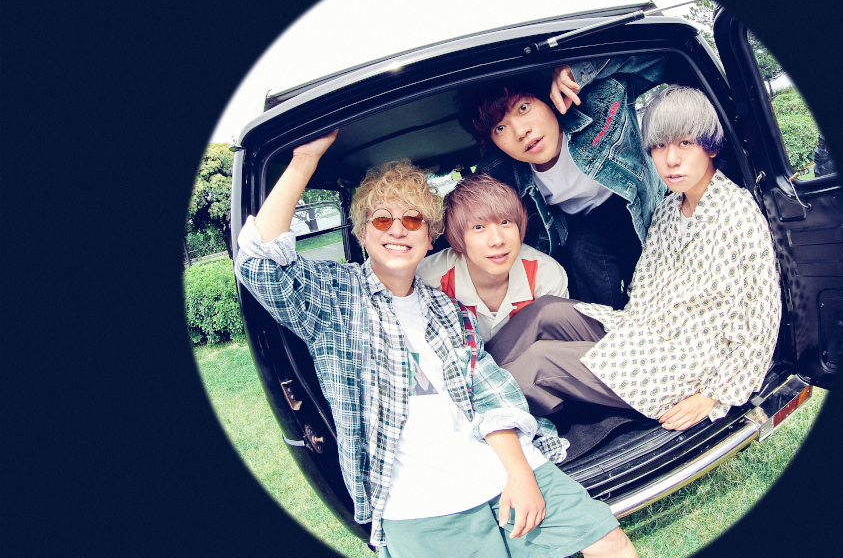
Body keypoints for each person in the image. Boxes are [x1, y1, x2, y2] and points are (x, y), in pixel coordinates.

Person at [233, 130, 636, 558]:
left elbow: (488, 390)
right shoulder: (335, 298)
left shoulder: (447, 308)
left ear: (430, 239)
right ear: (363, 234)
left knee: (609, 543)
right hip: (420, 502)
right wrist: (304, 162)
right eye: (382, 220)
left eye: (412, 220)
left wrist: (520, 473)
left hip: (499, 466)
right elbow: (258, 264)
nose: (397, 229)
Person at [486, 85, 782, 432]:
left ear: (711, 146)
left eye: (685, 143)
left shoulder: (737, 214)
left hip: (685, 366)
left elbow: (762, 320)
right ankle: (471, 377)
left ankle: (470, 420)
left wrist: (713, 395)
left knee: (539, 363)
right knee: (545, 311)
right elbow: (644, 289)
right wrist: (625, 332)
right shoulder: (669, 209)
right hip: (644, 334)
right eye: (659, 146)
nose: (671, 160)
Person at [460, 56, 667, 310]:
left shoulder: (598, 102)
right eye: (500, 129)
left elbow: (662, 59)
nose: (520, 132)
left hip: (641, 203)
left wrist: (580, 71)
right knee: (581, 249)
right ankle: (609, 325)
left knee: (652, 288)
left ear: (546, 100)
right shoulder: (500, 176)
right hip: (585, 229)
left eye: (523, 108)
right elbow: (466, 215)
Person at [417, 173, 569, 343]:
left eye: (505, 222)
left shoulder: (545, 274)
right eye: (478, 227)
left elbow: (559, 346)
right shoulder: (427, 279)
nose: (497, 240)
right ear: (457, 238)